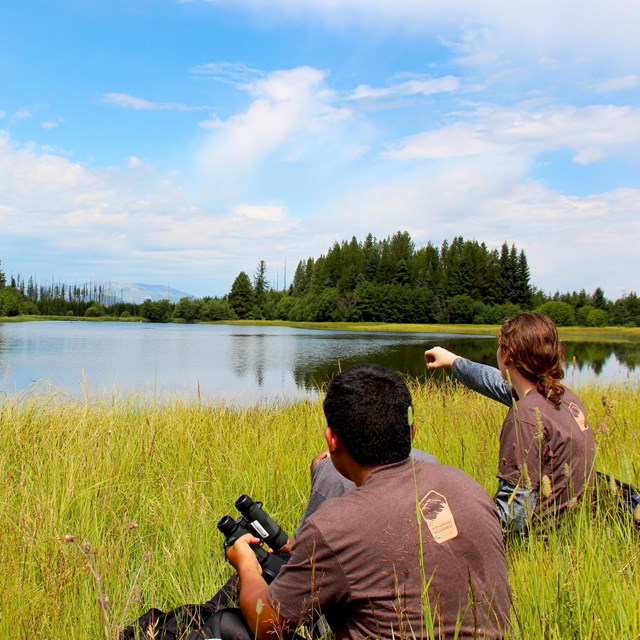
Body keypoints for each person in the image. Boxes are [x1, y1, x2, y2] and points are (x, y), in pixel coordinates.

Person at [226, 363, 512, 640]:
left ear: (332, 441)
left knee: (224, 627)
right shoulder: (469, 488)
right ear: (412, 432)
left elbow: (268, 626)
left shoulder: (335, 524)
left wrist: (246, 563)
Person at [425, 312, 596, 534]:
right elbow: (496, 383)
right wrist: (454, 361)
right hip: (572, 525)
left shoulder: (525, 419)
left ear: (506, 356)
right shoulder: (561, 397)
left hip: (539, 539)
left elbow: (514, 515)